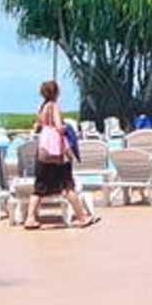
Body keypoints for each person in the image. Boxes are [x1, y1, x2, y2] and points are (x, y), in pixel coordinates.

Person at [25, 79, 97, 231]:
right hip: (56, 153)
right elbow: (58, 127)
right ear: (56, 92)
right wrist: (66, 128)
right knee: (67, 185)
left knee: (39, 187)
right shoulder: (54, 106)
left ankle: (30, 218)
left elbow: (38, 126)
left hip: (43, 151)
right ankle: (82, 218)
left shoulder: (42, 108)